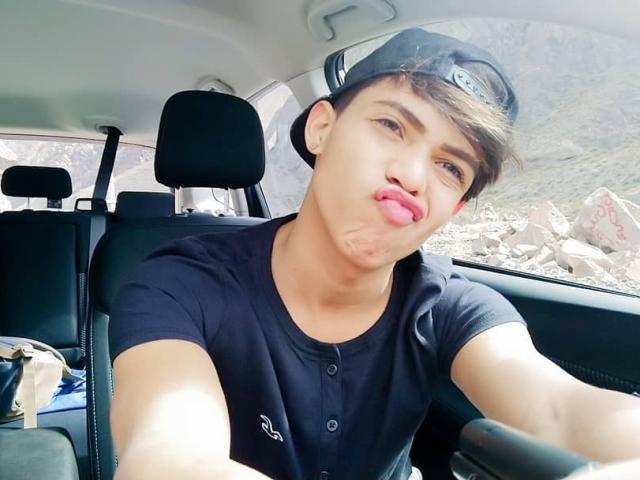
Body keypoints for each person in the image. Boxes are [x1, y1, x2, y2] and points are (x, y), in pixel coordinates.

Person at [108, 29, 640, 480]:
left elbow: (559, 408)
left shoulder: (449, 306)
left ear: (454, 207)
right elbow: (170, 453)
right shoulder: (177, 286)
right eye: (391, 126)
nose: (411, 176)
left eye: (450, 167)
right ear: (322, 128)